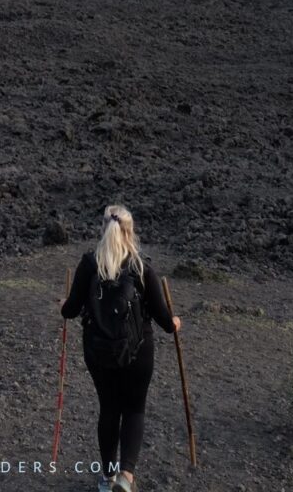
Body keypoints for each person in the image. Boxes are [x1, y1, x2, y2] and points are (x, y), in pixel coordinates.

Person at [59, 204, 181, 492]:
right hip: (138, 352)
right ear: (130, 231)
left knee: (109, 409)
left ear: (103, 229)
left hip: (98, 352)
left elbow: (70, 311)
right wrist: (176, 322)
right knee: (135, 409)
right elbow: (164, 320)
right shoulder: (141, 267)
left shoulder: (89, 265)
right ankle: (126, 476)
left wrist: (61, 305)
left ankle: (107, 477)